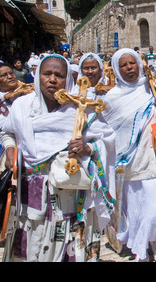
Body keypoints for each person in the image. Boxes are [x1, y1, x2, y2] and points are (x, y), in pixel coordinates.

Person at [1, 54, 116, 262]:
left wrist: (87, 148)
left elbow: (107, 139)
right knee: (29, 248)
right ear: (37, 76)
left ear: (68, 80)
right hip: (31, 199)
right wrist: (10, 148)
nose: (52, 80)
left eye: (59, 75)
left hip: (70, 199)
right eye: (47, 74)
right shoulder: (22, 107)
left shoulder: (81, 109)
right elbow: (6, 131)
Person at [102, 48, 156, 262]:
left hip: (155, 155)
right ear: (117, 69)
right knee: (136, 207)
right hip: (130, 161)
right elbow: (106, 129)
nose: (129, 68)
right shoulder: (112, 98)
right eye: (124, 65)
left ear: (139, 63)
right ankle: (142, 246)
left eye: (132, 63)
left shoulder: (153, 87)